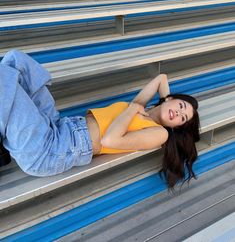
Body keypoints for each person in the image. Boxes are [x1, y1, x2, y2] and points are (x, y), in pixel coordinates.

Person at [0, 50, 200, 189]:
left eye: (183, 119)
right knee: (16, 60)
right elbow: (161, 78)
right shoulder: (143, 109)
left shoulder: (159, 133)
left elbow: (110, 141)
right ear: (171, 99)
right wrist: (163, 101)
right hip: (57, 126)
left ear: (177, 127)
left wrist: (133, 109)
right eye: (181, 107)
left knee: (3, 79)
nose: (178, 114)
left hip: (50, 150)